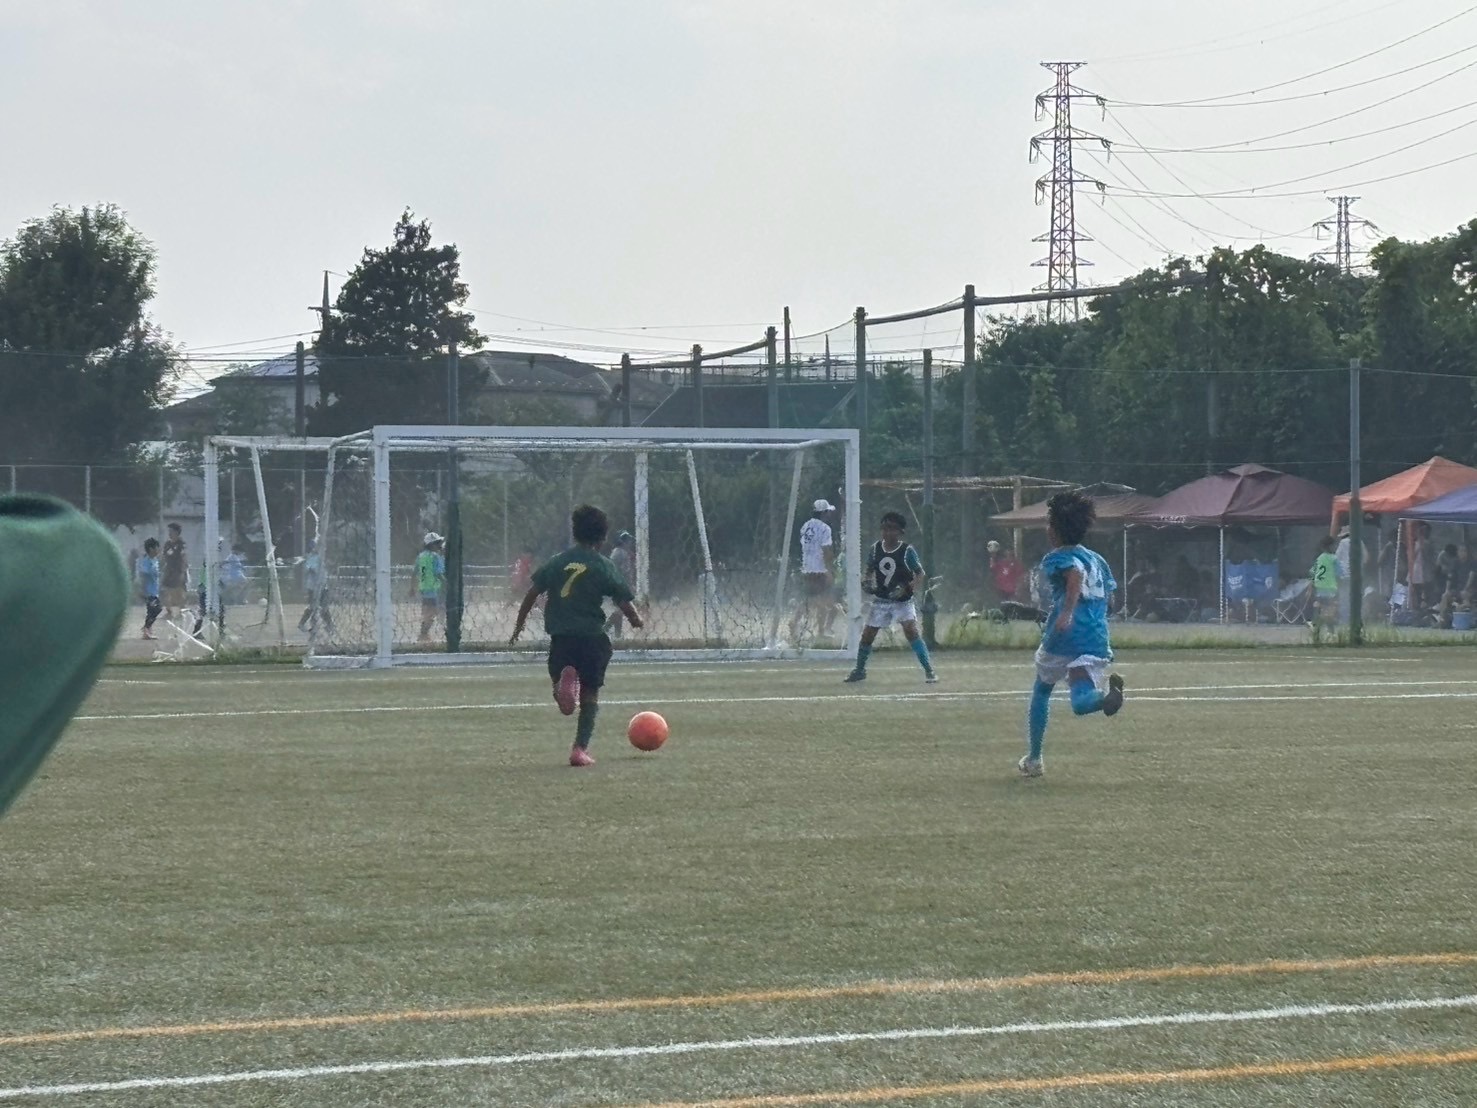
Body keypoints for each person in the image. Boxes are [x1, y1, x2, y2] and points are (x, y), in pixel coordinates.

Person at [510, 504, 643, 767]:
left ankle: (562, 685)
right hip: (592, 638)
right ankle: (579, 749)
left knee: (562, 685)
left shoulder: (558, 562)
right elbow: (623, 601)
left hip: (562, 637)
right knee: (590, 692)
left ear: (574, 533)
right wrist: (636, 620)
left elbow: (532, 593)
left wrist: (519, 625)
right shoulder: (603, 565)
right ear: (602, 538)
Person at [1019, 492, 1125, 779]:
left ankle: (1035, 759)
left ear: (1055, 529)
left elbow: (1074, 574)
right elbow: (1111, 599)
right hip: (1095, 637)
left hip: (1064, 635)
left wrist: (1066, 613)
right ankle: (1103, 698)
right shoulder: (1098, 560)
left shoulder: (1058, 557)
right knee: (1080, 700)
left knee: (1042, 689)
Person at [843, 512, 937, 684]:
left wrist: (907, 588)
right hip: (882, 600)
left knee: (911, 630)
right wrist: (866, 581)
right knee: (868, 634)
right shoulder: (875, 548)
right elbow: (869, 569)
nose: (887, 533)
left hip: (902, 601)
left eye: (892, 529)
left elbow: (920, 574)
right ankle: (859, 670)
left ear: (900, 531)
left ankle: (929, 670)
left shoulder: (906, 551)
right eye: (885, 528)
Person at [790, 499, 836, 641]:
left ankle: (795, 622)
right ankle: (820, 632)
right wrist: (829, 571)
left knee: (808, 599)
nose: (830, 515)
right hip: (819, 570)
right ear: (823, 513)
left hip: (806, 568)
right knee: (822, 601)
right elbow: (827, 552)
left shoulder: (805, 526)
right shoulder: (825, 529)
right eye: (828, 512)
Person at [297, 540, 334, 637]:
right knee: (313, 607)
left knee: (324, 607)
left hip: (323, 586)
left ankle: (329, 626)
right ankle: (303, 624)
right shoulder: (312, 558)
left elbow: (328, 567)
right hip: (313, 587)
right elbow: (310, 569)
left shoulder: (322, 558)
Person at [414, 532, 446, 642]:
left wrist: (412, 588)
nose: (440, 545)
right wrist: (447, 584)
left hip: (423, 588)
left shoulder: (421, 556)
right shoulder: (435, 557)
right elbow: (438, 573)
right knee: (432, 613)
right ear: (432, 545)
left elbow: (415, 572)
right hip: (434, 589)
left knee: (427, 612)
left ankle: (424, 634)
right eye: (438, 543)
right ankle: (423, 634)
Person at [608, 531, 637, 638]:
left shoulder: (617, 552)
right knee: (620, 611)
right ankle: (605, 629)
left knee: (620, 611)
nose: (630, 543)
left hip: (617, 585)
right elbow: (624, 572)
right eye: (628, 540)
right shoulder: (621, 553)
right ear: (622, 541)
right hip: (620, 586)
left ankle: (617, 635)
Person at [1311, 534, 1340, 640]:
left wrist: (1311, 587)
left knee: (1320, 608)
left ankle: (1316, 629)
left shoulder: (1319, 558)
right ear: (1331, 546)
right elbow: (1339, 574)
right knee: (1330, 611)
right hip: (1331, 588)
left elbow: (1313, 573)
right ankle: (1331, 632)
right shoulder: (1334, 559)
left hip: (1319, 588)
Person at [986, 540, 1026, 609]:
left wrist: (1019, 588)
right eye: (1007, 552)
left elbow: (1021, 576)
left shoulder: (1016, 564)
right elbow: (992, 568)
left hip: (1012, 591)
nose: (1008, 554)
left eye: (1010, 553)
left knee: (1011, 606)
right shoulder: (1001, 563)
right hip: (1001, 590)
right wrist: (993, 555)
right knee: (1002, 606)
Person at [136, 537, 162, 640]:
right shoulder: (146, 561)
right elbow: (144, 574)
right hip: (149, 591)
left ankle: (147, 630)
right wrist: (142, 590)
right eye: (157, 548)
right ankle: (146, 628)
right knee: (156, 609)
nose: (158, 550)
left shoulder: (155, 560)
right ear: (151, 549)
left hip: (155, 591)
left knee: (153, 611)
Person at [160, 522, 188, 620]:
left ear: (176, 532)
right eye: (169, 531)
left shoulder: (181, 544)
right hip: (168, 570)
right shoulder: (167, 544)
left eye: (171, 531)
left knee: (178, 592)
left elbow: (184, 557)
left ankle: (181, 612)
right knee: (165, 591)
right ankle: (169, 612)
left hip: (178, 571)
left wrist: (182, 572)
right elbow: (164, 556)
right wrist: (162, 566)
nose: (169, 533)